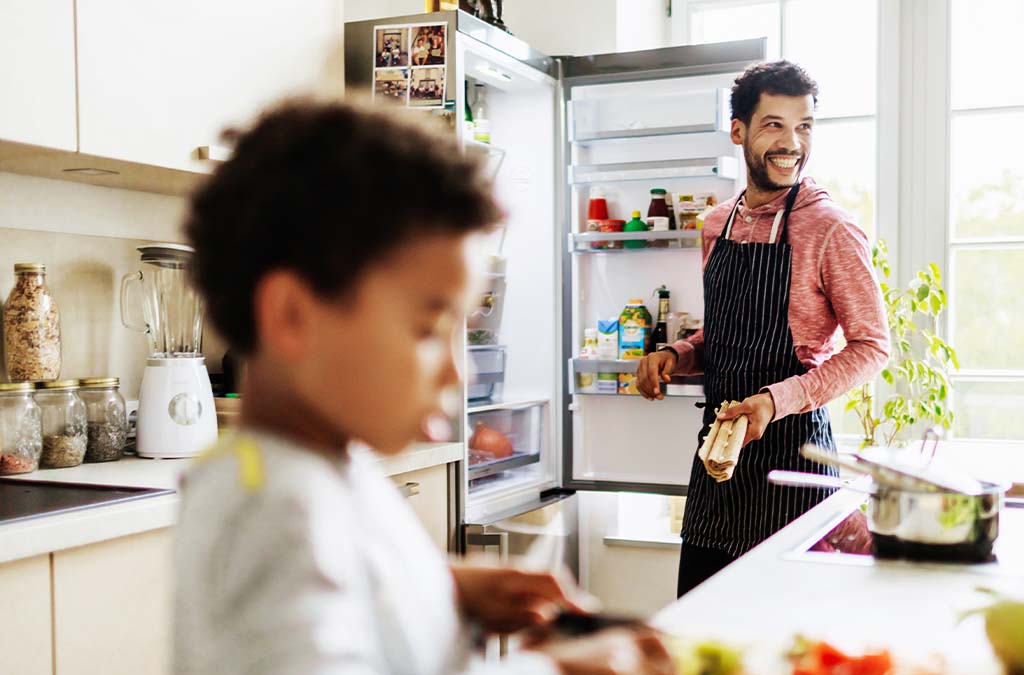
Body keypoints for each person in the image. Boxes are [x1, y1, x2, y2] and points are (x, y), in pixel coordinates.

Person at [174, 99, 673, 675]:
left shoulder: (324, 466)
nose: (458, 372)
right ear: (293, 317)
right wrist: (556, 670)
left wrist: (447, 588)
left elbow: (345, 580)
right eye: (428, 328)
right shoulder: (268, 509)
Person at [635, 61, 889, 597]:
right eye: (774, 125)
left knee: (786, 642)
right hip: (717, 463)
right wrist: (678, 354)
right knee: (698, 631)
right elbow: (723, 335)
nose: (792, 143)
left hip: (793, 468)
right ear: (738, 132)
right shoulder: (715, 223)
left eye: (805, 127)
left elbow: (872, 348)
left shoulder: (830, 229)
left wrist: (775, 401)